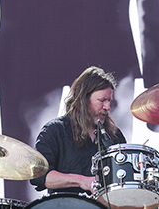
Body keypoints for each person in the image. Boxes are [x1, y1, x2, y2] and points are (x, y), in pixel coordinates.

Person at [30, 66, 127, 195]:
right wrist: (81, 181)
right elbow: (40, 176)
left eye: (109, 101)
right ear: (83, 100)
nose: (107, 107)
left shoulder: (115, 136)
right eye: (102, 100)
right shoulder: (54, 131)